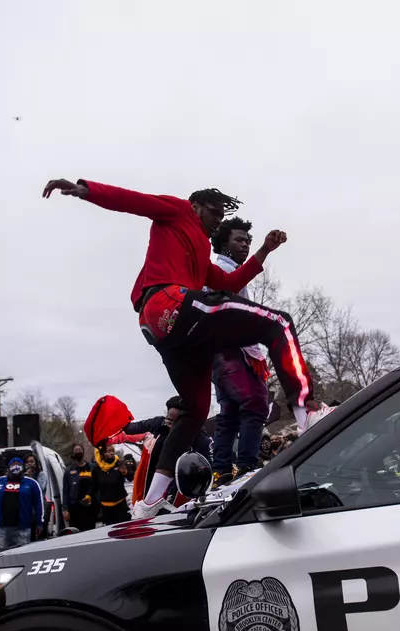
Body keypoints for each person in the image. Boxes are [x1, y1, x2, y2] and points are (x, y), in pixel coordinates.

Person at [43, 178, 322, 518]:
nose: (217, 220)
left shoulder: (201, 251)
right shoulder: (177, 211)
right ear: (195, 207)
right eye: (214, 213)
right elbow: (135, 200)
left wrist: (263, 251)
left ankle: (149, 502)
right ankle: (306, 412)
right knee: (278, 324)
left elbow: (229, 283)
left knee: (195, 410)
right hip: (168, 303)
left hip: (166, 331)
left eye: (221, 216)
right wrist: (86, 190)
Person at [208, 217, 273, 485]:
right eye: (239, 240)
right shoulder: (221, 272)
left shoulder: (226, 270)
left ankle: (221, 471)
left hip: (220, 353)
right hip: (232, 351)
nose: (245, 245)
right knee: (256, 403)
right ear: (224, 243)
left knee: (230, 413)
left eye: (248, 241)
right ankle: (246, 468)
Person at [0, 457, 43, 549]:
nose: (16, 466)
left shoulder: (31, 483)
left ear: (23, 467)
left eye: (18, 464)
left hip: (23, 528)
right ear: (8, 467)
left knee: (21, 555)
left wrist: (39, 523)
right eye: (13, 464)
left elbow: (38, 503)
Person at [94, 445, 132, 526]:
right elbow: (94, 485)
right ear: (103, 454)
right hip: (106, 507)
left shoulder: (119, 464)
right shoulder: (97, 468)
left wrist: (125, 472)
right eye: (108, 451)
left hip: (120, 504)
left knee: (124, 528)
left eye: (112, 451)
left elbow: (131, 477)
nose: (111, 453)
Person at [62, 445, 97, 531]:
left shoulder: (92, 468)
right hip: (75, 508)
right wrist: (65, 509)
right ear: (73, 454)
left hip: (90, 507)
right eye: (76, 450)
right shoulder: (68, 471)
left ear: (83, 452)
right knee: (76, 532)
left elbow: (97, 485)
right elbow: (65, 491)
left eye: (80, 450)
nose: (78, 452)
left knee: (90, 531)